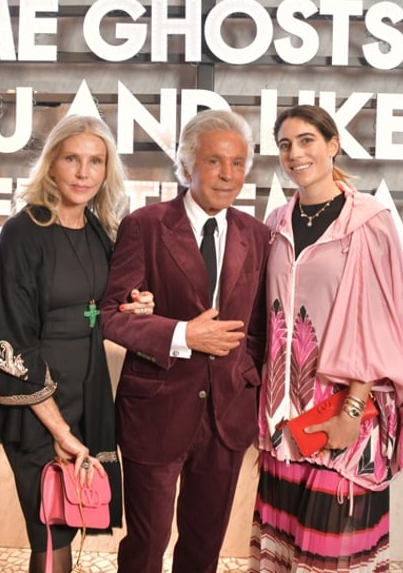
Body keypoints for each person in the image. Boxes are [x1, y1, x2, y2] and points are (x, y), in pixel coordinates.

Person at [0, 115, 152, 573]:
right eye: (72, 159)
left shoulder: (97, 229)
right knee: (50, 533)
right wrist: (59, 430)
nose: (83, 172)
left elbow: (102, 305)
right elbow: (8, 335)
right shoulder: (23, 233)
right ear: (52, 165)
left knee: (70, 517)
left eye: (95, 162)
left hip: (87, 400)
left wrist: (136, 304)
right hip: (37, 409)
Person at [250, 105, 403, 572]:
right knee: (285, 547)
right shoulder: (275, 223)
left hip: (346, 409)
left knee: (332, 554)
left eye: (307, 140)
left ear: (332, 145)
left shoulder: (367, 221)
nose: (295, 153)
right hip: (284, 419)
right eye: (285, 144)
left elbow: (380, 323)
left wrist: (352, 412)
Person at [100, 109, 271, 573]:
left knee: (203, 547)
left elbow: (257, 328)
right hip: (156, 409)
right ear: (186, 164)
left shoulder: (257, 236)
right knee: (147, 546)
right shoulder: (145, 225)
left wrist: (246, 376)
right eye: (215, 161)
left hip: (227, 417)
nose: (228, 175)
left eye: (238, 164)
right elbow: (110, 315)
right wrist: (181, 334)